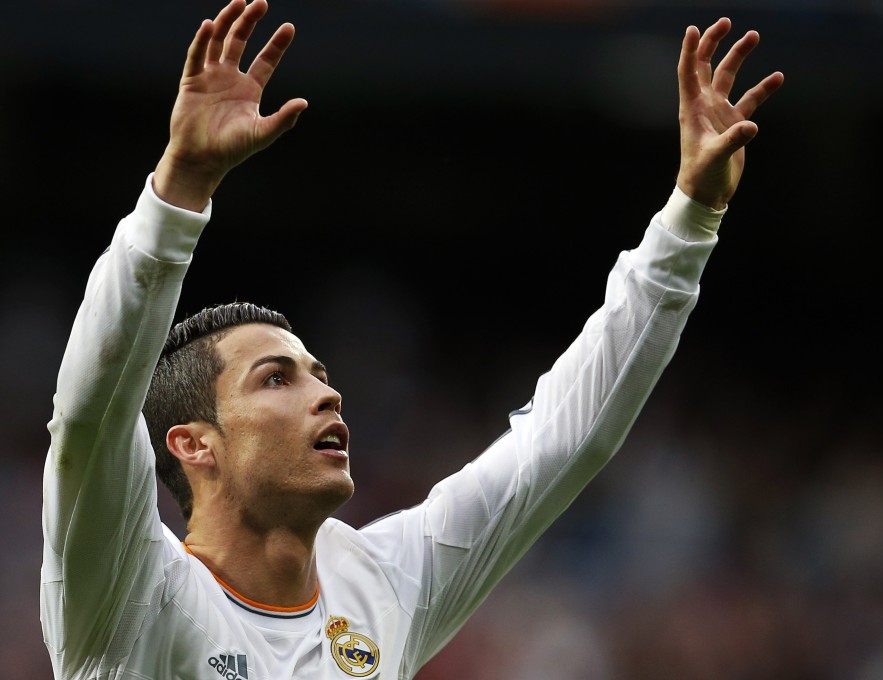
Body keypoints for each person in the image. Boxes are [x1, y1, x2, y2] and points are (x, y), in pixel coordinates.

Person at [40, 0, 783, 677]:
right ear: (194, 445)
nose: (326, 393)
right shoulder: (127, 589)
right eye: (276, 378)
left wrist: (691, 221)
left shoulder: (380, 585)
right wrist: (179, 189)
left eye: (317, 372)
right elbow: (90, 413)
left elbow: (561, 442)